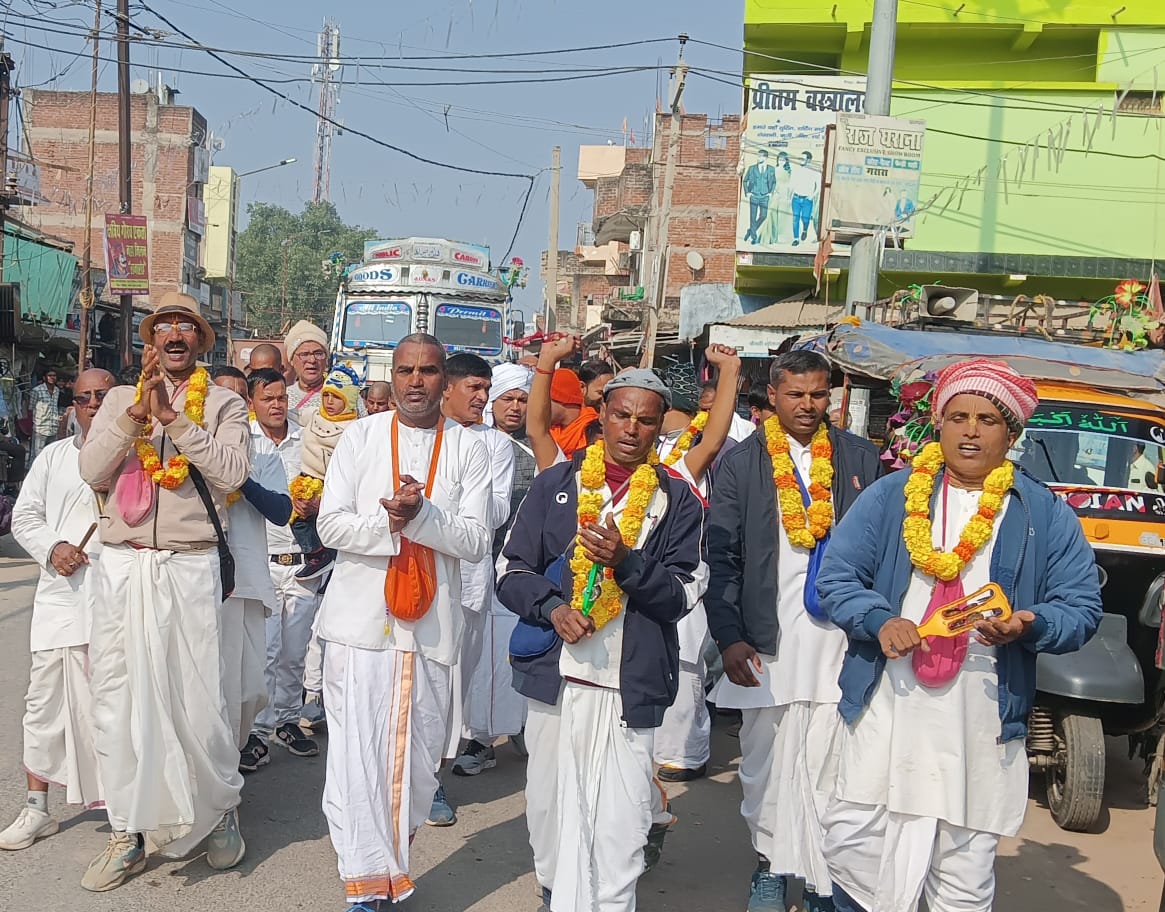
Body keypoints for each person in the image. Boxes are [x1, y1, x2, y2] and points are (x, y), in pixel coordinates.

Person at [816, 358, 1103, 912]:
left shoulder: (1044, 512)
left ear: (1011, 434)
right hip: (887, 703)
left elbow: (1081, 608)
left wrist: (1028, 623)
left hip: (980, 713)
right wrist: (880, 620)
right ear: (939, 425)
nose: (970, 430)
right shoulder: (892, 495)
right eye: (958, 417)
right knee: (854, 843)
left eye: (988, 419)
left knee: (963, 867)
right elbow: (838, 577)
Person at [497, 369, 708, 912]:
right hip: (557, 675)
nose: (631, 429)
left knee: (622, 814)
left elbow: (683, 593)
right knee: (549, 804)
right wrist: (553, 608)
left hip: (629, 680)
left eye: (645, 420)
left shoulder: (677, 500)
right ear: (603, 417)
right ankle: (553, 894)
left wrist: (628, 564)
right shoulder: (557, 483)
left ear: (660, 428)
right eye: (621, 415)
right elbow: (510, 570)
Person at [78, 291, 251, 890]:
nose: (175, 335)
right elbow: (90, 470)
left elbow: (232, 473)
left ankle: (218, 809)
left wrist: (176, 421)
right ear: (150, 340)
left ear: (202, 341)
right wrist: (134, 419)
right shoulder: (121, 400)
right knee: (118, 701)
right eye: (165, 327)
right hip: (123, 566)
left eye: (187, 327)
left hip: (188, 563)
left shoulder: (226, 403)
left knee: (197, 698)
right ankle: (127, 830)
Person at [315, 333, 492, 910]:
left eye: (429, 370)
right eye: (406, 370)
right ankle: (363, 884)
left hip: (431, 629)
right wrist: (390, 524)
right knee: (355, 757)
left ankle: (390, 867)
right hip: (358, 625)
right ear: (392, 376)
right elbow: (331, 527)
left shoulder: (469, 448)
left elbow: (474, 539)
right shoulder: (360, 438)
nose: (417, 380)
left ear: (445, 379)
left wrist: (422, 516)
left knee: (418, 766)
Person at [705, 350, 882, 912]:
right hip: (766, 641)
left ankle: (823, 877)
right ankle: (770, 864)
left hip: (841, 642)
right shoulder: (741, 463)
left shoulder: (862, 458)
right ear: (773, 398)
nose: (808, 405)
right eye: (796, 395)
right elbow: (724, 557)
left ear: (831, 397)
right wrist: (730, 634)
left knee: (835, 767)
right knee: (765, 764)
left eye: (818, 394)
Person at [0, 368, 113, 851]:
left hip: (118, 602)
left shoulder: (139, 458)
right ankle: (36, 808)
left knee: (118, 707)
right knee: (43, 707)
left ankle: (131, 809)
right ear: (72, 405)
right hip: (61, 602)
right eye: (83, 397)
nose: (91, 403)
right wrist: (54, 548)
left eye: (101, 396)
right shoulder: (51, 457)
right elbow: (25, 516)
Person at [653, 345, 741, 783]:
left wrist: (730, 371)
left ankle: (685, 753)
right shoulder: (624, 457)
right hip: (630, 577)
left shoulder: (686, 460)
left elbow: (716, 435)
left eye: (647, 415)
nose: (634, 427)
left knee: (686, 661)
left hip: (682, 574)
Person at [241, 367, 324, 771]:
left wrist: (318, 504)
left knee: (295, 652)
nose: (276, 405)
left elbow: (329, 480)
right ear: (252, 402)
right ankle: (257, 731)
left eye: (281, 398)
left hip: (304, 561)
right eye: (267, 399)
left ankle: (289, 721)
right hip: (262, 561)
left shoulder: (306, 436)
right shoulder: (244, 440)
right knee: (265, 652)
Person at [446, 358, 521, 783]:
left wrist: (438, 506)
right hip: (416, 575)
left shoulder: (496, 445)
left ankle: (436, 776)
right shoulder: (422, 434)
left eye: (486, 388)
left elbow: (495, 511)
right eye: (475, 387)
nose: (482, 398)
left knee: (457, 681)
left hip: (470, 580)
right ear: (447, 388)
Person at [210, 367, 291, 759]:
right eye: (222, 395)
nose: (232, 403)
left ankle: (234, 754)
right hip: (199, 583)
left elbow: (281, 510)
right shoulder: (182, 449)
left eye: (239, 396)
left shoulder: (263, 457)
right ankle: (218, 774)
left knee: (249, 690)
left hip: (246, 585)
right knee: (211, 686)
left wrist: (238, 477)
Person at [291, 365, 362, 581]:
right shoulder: (313, 415)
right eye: (327, 395)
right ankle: (317, 555)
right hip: (307, 478)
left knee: (330, 526)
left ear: (349, 399)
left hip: (334, 485)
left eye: (337, 397)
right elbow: (291, 416)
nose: (329, 402)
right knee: (298, 519)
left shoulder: (356, 428)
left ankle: (329, 567)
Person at [527, 338, 602, 469]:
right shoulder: (551, 432)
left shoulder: (596, 430)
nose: (540, 407)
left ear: (562, 400)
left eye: (545, 400)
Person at [284, 320, 331, 420]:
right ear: (291, 360)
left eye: (318, 353)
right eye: (304, 354)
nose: (312, 360)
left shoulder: (344, 395)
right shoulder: (283, 397)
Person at [743, 148, 777, 245]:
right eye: (758, 156)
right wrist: (747, 192)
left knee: (763, 216)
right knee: (752, 217)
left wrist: (771, 192)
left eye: (760, 156)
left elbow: (774, 182)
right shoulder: (752, 168)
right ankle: (754, 237)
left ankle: (750, 231)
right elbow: (745, 181)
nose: (758, 158)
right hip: (754, 195)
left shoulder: (771, 169)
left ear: (765, 157)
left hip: (765, 196)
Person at [28, 368, 61, 462]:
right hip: (40, 428)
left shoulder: (57, 391)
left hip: (53, 427)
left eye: (54, 375)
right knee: (37, 457)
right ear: (44, 377)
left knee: (51, 455)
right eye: (49, 375)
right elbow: (31, 407)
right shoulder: (37, 390)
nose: (52, 378)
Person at [790, 151, 820, 247]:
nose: (801, 160)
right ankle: (796, 239)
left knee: (805, 219)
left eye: (803, 158)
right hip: (796, 198)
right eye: (800, 158)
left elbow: (818, 186)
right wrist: (789, 196)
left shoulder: (814, 171)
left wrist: (812, 195)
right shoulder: (796, 169)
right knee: (795, 219)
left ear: (809, 160)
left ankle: (805, 230)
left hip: (807, 200)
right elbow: (792, 184)